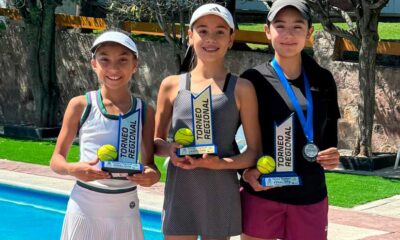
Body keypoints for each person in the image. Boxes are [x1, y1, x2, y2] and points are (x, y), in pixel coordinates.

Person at [154, 3, 261, 240]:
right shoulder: (171, 85)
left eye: (220, 31)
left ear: (231, 39)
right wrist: (170, 149)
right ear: (190, 36)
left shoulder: (242, 88)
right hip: (180, 188)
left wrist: (219, 164)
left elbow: (253, 153)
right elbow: (156, 142)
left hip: (219, 189)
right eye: (202, 30)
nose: (210, 38)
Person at [239, 0, 341, 240]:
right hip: (263, 194)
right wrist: (245, 172)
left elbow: (329, 139)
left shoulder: (323, 79)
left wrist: (332, 156)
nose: (288, 34)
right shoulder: (252, 79)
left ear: (309, 32)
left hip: (309, 195)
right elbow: (229, 135)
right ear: (267, 31)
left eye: (297, 26)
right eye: (280, 26)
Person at [50, 30, 160, 240]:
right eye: (105, 60)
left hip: (125, 210)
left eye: (123, 60)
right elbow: (56, 160)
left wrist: (152, 176)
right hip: (84, 206)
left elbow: (150, 166)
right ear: (94, 64)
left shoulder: (145, 111)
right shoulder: (80, 105)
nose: (114, 68)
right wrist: (73, 169)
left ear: (135, 65)